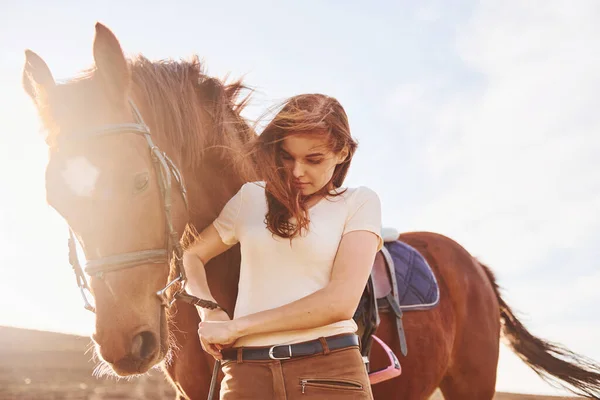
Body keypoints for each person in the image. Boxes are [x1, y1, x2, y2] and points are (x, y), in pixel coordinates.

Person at [182, 93, 383, 399]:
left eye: (313, 159)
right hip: (245, 376)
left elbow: (339, 302)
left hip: (328, 372)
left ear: (342, 153)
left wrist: (237, 327)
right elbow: (191, 254)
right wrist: (209, 312)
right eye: (287, 157)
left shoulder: (359, 202)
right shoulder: (250, 197)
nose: (297, 172)